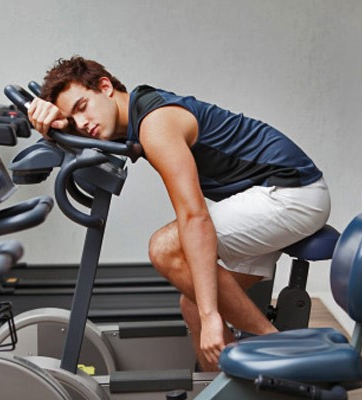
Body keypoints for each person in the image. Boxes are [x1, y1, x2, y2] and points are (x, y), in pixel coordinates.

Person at [28, 56, 331, 371]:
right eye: (74, 120)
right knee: (192, 305)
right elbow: (81, 133)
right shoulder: (136, 113)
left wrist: (213, 317)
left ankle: (285, 353)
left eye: (81, 107)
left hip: (291, 194)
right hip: (270, 194)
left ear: (104, 86)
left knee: (166, 248)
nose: (82, 123)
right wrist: (56, 127)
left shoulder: (154, 124)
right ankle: (238, 389)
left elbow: (194, 216)